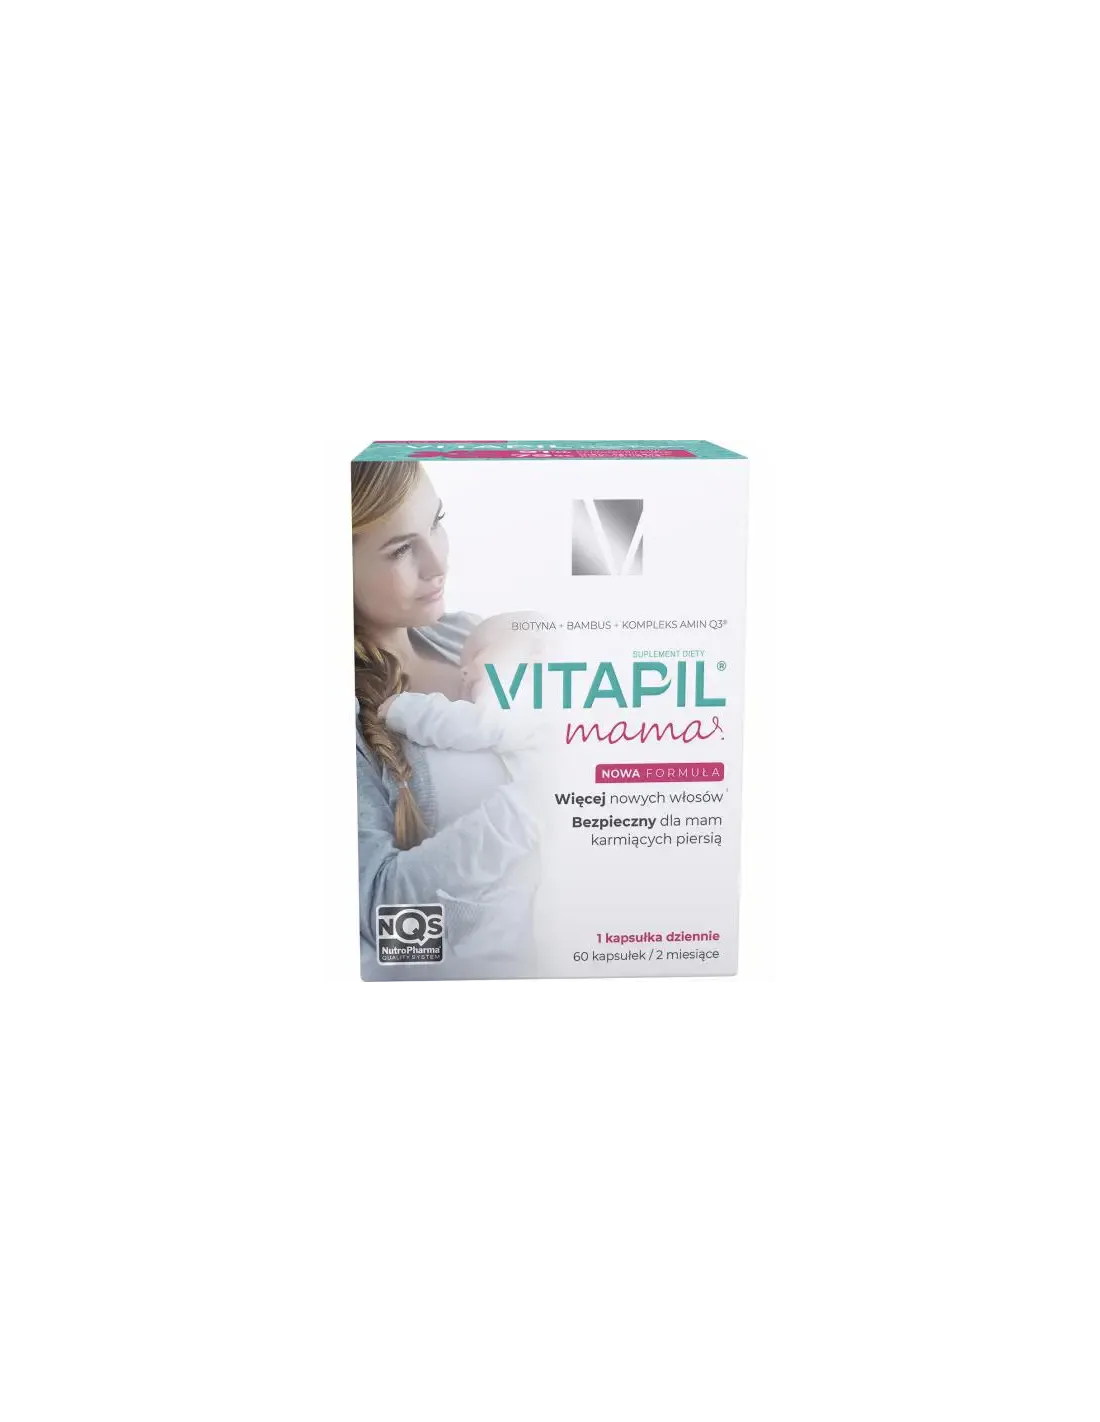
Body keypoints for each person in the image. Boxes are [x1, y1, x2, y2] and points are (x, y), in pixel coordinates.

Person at [352, 461, 540, 980]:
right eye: (400, 549)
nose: (438, 564)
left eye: (436, 522)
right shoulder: (349, 711)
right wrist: (535, 807)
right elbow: (384, 911)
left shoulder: (469, 637)